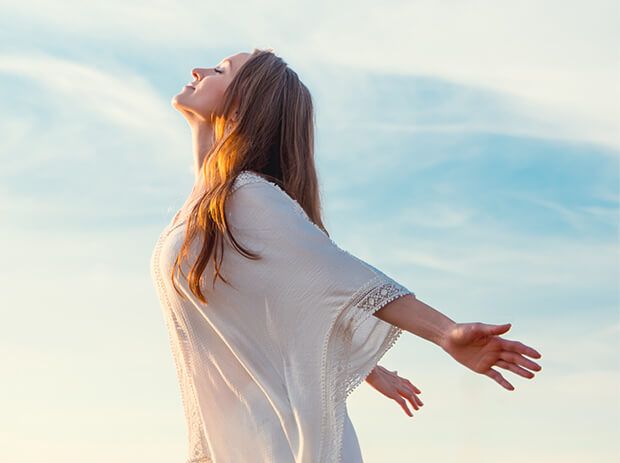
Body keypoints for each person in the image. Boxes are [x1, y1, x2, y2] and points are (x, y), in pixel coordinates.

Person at [150, 48, 542, 463]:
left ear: (245, 102)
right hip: (242, 440)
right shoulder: (207, 212)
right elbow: (271, 306)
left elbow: (340, 276)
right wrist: (361, 366)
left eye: (219, 70)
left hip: (276, 444)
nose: (198, 69)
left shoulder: (247, 197)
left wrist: (444, 332)